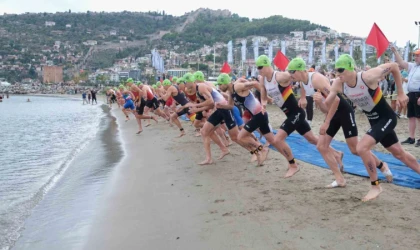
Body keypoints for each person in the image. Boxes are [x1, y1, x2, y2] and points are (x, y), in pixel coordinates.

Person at [325, 54, 419, 201]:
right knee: (400, 154)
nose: (338, 74)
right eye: (336, 70)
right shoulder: (339, 84)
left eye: (341, 70)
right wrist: (320, 100)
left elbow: (394, 66)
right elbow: (327, 104)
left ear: (351, 68)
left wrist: (401, 93)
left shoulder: (368, 76)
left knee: (361, 147)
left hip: (387, 118)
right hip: (375, 122)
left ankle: (375, 185)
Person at [287, 57, 391, 188]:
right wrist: (304, 99)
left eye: (292, 71)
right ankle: (339, 178)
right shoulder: (302, 82)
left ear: (301, 70)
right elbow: (320, 103)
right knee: (321, 146)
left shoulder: (315, 79)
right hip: (331, 113)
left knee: (355, 149)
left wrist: (326, 122)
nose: (290, 75)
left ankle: (382, 165)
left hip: (343, 111)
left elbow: (335, 101)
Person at [257, 55, 342, 177]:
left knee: (277, 139)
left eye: (260, 67)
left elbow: (302, 78)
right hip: (289, 114)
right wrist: (263, 104)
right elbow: (263, 92)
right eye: (257, 68)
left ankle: (293, 165)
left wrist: (303, 97)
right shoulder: (262, 79)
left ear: (267, 65)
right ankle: (336, 153)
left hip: (297, 113)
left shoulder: (281, 76)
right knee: (312, 139)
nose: (259, 70)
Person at [391, 47, 420, 146]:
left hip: (418, 94)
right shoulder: (413, 66)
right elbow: (402, 62)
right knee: (411, 116)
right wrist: (395, 52)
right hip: (411, 93)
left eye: (418, 56)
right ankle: (411, 138)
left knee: (419, 117)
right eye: (415, 55)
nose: (415, 57)